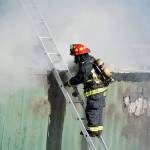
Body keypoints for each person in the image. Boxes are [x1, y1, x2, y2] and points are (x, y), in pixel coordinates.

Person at [64, 44, 112, 137]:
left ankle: (92, 131)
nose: (75, 59)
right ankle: (98, 131)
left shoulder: (85, 66)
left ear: (79, 55)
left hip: (94, 93)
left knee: (91, 111)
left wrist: (70, 82)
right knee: (98, 111)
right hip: (101, 91)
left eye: (75, 56)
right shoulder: (91, 59)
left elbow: (81, 78)